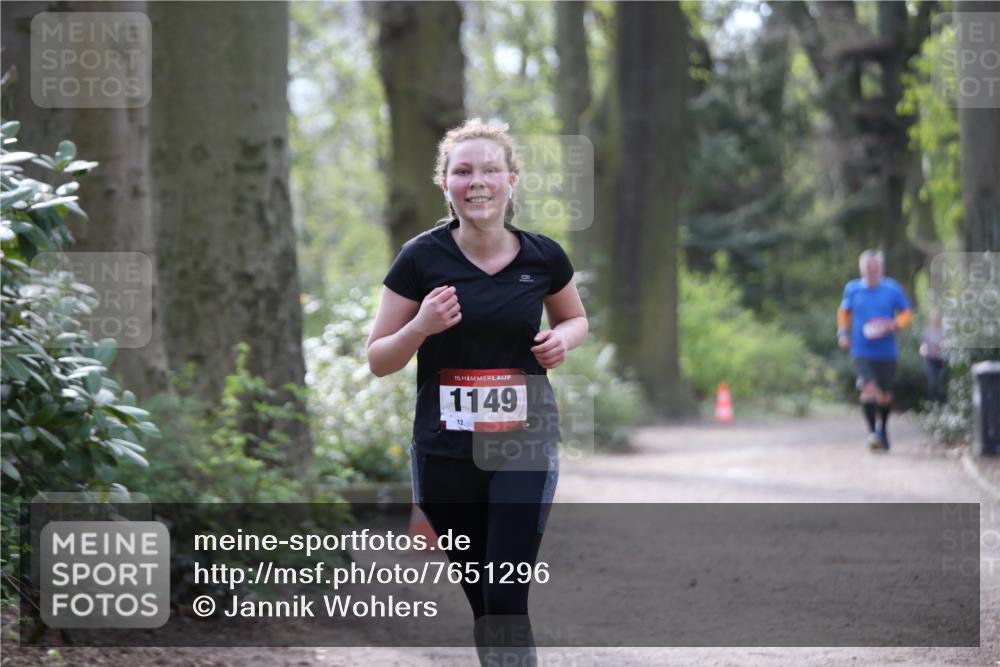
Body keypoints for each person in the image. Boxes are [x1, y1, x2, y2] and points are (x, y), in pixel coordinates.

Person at [366, 118, 588, 665]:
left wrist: (561, 340)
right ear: (446, 184)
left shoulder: (543, 257)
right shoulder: (419, 258)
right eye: (463, 172)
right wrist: (420, 327)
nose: (478, 182)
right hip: (445, 453)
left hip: (522, 444)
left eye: (491, 170)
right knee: (485, 601)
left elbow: (575, 318)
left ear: (512, 179)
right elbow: (379, 359)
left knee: (505, 596)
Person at [837, 250, 913, 451]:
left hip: (886, 351)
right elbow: (844, 313)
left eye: (875, 267)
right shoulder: (853, 289)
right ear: (861, 269)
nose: (872, 271)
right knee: (868, 387)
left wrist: (894, 325)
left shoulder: (892, 288)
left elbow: (907, 312)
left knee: (885, 394)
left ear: (881, 268)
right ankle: (872, 434)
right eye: (868, 268)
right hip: (861, 349)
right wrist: (843, 333)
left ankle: (883, 429)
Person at [920, 310, 947, 405]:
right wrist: (923, 350)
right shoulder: (927, 331)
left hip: (941, 360)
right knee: (933, 380)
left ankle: (942, 402)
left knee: (941, 381)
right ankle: (933, 402)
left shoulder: (943, 331)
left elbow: (947, 343)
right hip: (930, 359)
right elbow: (923, 344)